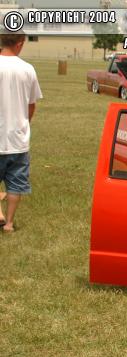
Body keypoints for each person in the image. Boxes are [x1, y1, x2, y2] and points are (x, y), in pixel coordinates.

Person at [0, 32, 43, 233]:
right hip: (17, 139)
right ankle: (9, 223)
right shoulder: (28, 69)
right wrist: (25, 123)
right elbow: (31, 105)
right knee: (15, 184)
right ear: (20, 43)